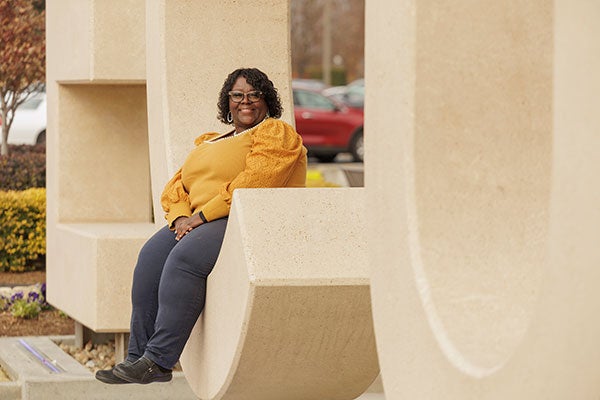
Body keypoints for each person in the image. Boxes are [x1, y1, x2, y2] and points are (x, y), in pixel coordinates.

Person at [96, 67, 307, 384]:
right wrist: (181, 216)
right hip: (198, 220)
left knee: (184, 259)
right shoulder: (212, 140)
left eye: (254, 94)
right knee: (150, 259)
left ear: (267, 100)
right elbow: (176, 185)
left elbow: (255, 182)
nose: (245, 101)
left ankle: (159, 360)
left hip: (243, 219)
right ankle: (137, 357)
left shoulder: (275, 133)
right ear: (228, 101)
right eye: (237, 95)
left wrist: (202, 215)